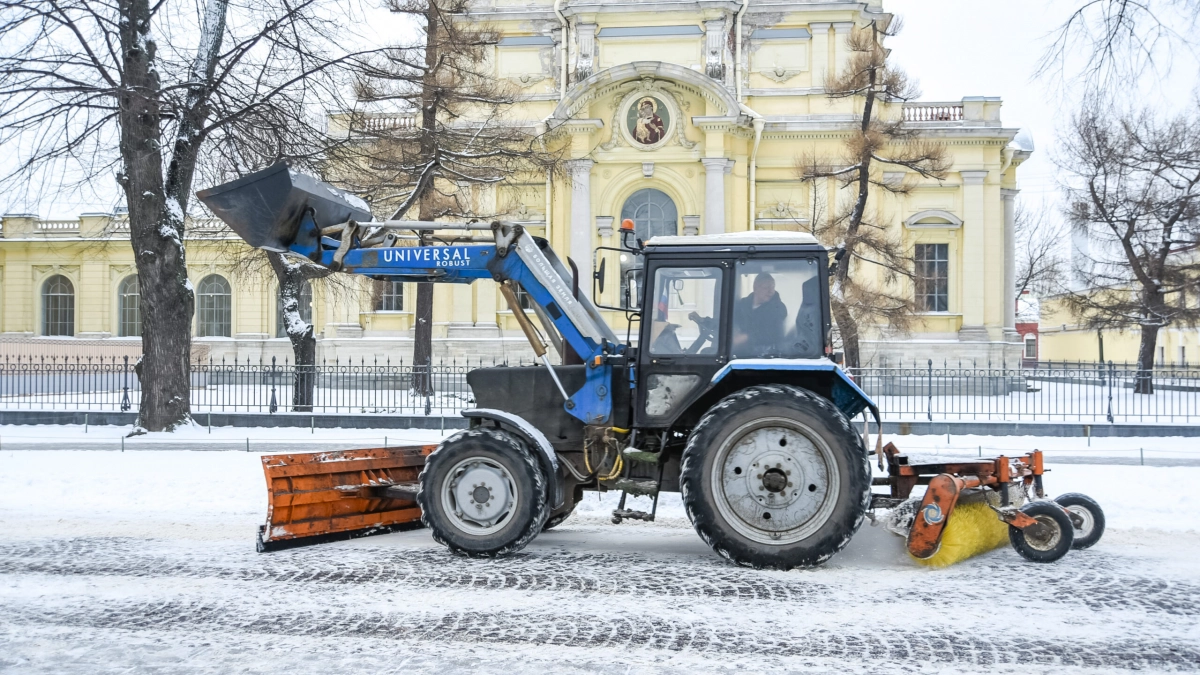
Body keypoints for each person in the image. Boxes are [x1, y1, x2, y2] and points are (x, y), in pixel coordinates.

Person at [733, 273, 787, 356]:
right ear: (755, 288)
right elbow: (733, 322)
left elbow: (774, 333)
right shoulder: (742, 305)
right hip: (740, 353)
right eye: (766, 287)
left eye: (773, 287)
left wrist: (746, 337)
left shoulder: (778, 308)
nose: (771, 291)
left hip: (766, 355)